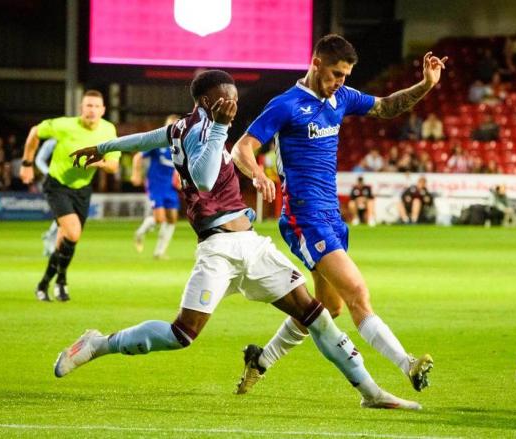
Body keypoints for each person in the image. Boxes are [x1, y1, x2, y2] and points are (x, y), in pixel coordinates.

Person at [58, 70, 419, 410]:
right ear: (203, 102)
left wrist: (103, 147)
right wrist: (218, 128)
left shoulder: (181, 128)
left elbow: (145, 138)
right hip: (217, 250)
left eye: (233, 99)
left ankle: (370, 392)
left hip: (250, 245)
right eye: (222, 101)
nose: (230, 105)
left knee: (316, 316)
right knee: (182, 334)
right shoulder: (202, 131)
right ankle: (100, 343)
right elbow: (203, 178)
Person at [231, 34, 445, 395]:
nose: (339, 82)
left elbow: (387, 107)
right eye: (334, 74)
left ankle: (261, 360)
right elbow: (242, 147)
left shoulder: (341, 98)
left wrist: (426, 84)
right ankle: (407, 364)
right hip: (303, 216)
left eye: (345, 75)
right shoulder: (286, 104)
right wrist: (256, 173)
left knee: (329, 307)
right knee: (357, 293)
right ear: (315, 64)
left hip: (331, 215)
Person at [19, 90, 120, 302]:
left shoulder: (108, 129)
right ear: (81, 108)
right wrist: (27, 164)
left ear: (103, 110)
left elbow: (113, 165)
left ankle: (48, 283)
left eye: (96, 106)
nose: (91, 110)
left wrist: (97, 163)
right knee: (72, 232)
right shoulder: (65, 125)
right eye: (88, 106)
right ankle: (60, 281)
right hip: (57, 184)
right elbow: (34, 132)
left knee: (67, 239)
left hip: (82, 189)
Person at [131, 114, 181, 259]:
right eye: (170, 126)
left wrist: (180, 179)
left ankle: (159, 252)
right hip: (155, 185)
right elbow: (138, 157)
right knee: (159, 219)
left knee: (172, 219)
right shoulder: (157, 143)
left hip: (170, 187)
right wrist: (136, 174)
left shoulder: (180, 147)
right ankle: (140, 233)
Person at [35, 138, 59, 257]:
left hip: (72, 181)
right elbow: (39, 159)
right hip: (55, 182)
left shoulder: (79, 138)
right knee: (64, 212)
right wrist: (49, 173)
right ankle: (51, 240)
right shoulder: (53, 142)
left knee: (69, 213)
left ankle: (50, 236)